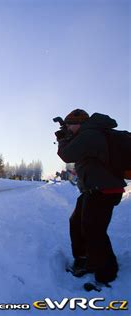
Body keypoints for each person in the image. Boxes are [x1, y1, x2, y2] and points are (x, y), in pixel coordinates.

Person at [56, 109, 126, 286]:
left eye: (70, 124)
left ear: (79, 123)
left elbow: (67, 154)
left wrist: (63, 139)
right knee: (77, 222)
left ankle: (106, 273)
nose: (68, 128)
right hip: (95, 189)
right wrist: (68, 136)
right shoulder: (90, 134)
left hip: (104, 190)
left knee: (94, 230)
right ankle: (84, 258)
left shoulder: (90, 134)